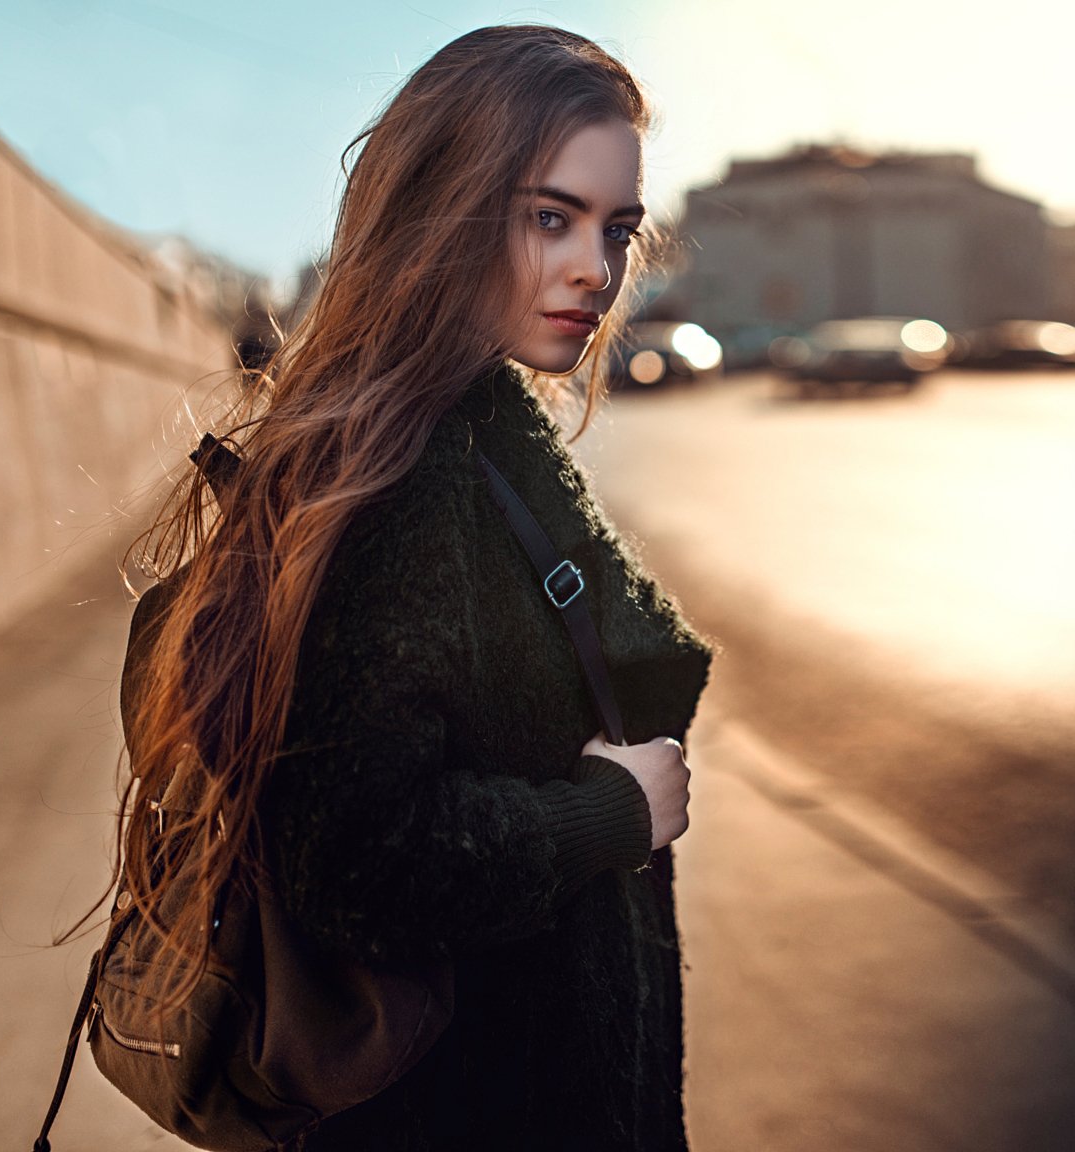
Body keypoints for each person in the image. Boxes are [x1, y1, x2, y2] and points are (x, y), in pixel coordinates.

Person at [110, 26, 712, 1151]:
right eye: (550, 217)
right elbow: (355, 860)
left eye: (616, 228)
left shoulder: (457, 425)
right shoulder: (407, 478)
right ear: (445, 211)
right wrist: (612, 813)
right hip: (471, 1106)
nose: (596, 266)